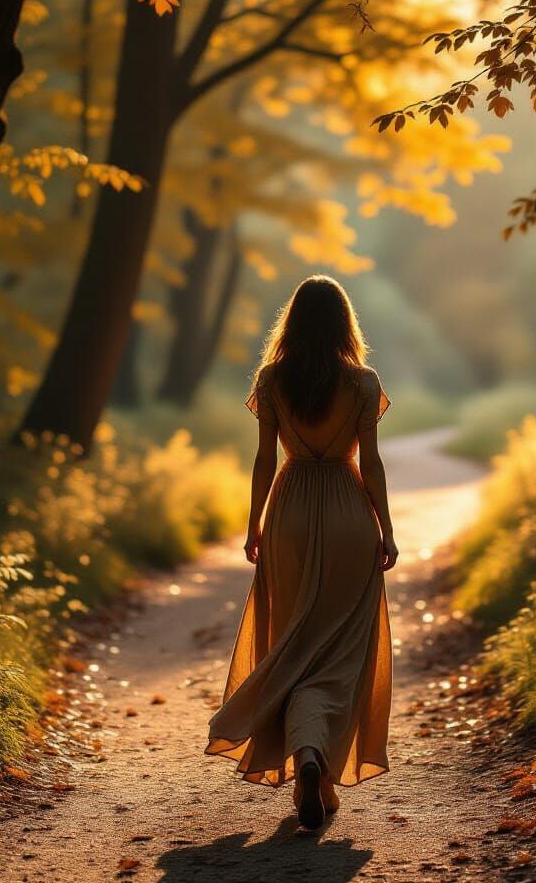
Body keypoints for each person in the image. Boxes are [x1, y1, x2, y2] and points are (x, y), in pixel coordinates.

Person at [205, 275, 397, 830]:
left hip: (288, 514)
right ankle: (317, 758)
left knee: (291, 644)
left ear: (292, 322)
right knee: (339, 654)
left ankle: (304, 758)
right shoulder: (362, 382)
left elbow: (264, 460)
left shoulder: (271, 381)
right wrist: (385, 527)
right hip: (346, 515)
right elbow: (373, 464)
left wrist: (254, 525)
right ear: (344, 324)